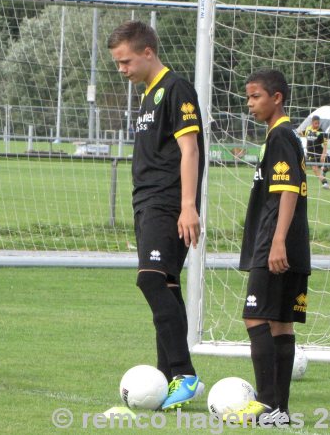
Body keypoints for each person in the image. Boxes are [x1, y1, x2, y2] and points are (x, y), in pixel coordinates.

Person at [108, 20, 205, 410]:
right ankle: (169, 378)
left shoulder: (175, 88)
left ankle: (183, 372)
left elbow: (190, 150)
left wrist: (187, 205)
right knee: (165, 285)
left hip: (167, 203)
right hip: (147, 202)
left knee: (150, 280)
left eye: (126, 61)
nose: (122, 69)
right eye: (117, 63)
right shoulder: (148, 94)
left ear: (148, 52)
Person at [233, 69, 309, 423]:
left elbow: (288, 190)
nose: (249, 104)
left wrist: (277, 241)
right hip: (292, 246)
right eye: (248, 97)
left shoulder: (281, 135)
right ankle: (279, 409)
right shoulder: (285, 136)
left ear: (276, 98)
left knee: (255, 316)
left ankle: (264, 401)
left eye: (255, 96)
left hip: (275, 245)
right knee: (280, 323)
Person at [302, 115, 330, 189]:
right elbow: (301, 133)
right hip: (311, 153)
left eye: (318, 123)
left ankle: (324, 170)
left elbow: (325, 144)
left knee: (328, 166)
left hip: (319, 152)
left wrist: (323, 154)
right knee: (314, 168)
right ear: (312, 123)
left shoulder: (322, 132)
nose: (317, 125)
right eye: (315, 123)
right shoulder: (308, 129)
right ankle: (325, 183)